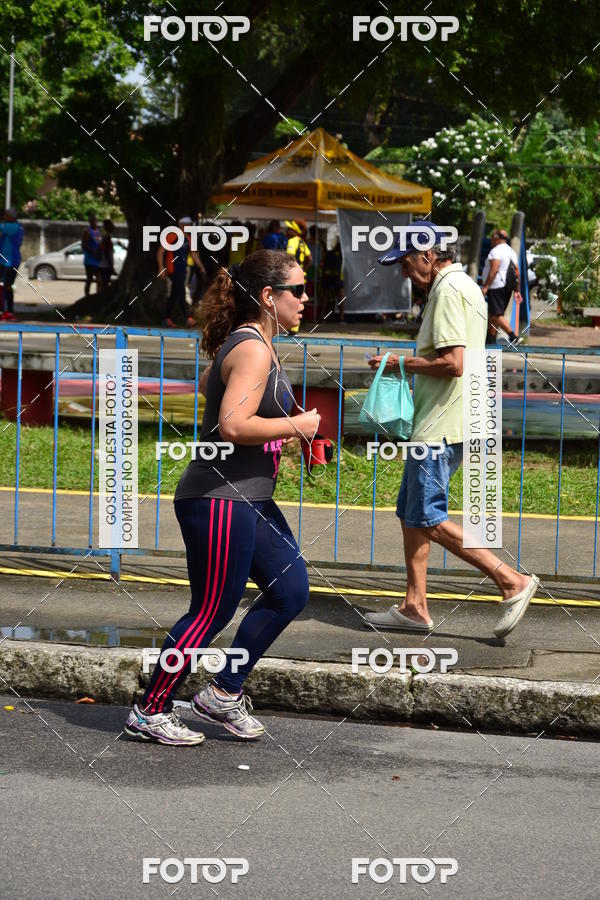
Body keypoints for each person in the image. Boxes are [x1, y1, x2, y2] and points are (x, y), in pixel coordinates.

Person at [124, 249, 320, 745]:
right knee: (212, 609)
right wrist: (297, 425)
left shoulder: (254, 345)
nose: (306, 298)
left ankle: (222, 693)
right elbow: (233, 425)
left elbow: (215, 388)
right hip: (218, 498)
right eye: (297, 290)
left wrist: (286, 437)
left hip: (249, 499)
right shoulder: (253, 348)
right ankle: (151, 709)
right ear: (269, 297)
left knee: (290, 590)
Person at [365, 222, 539, 638]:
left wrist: (398, 363)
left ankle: (511, 580)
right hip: (453, 418)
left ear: (427, 255)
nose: (405, 273)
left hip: (441, 424)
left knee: (425, 516)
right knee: (410, 512)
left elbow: (453, 363)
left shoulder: (446, 291)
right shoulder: (464, 286)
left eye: (406, 262)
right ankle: (414, 605)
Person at [157, 216, 205, 327]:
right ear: (181, 225)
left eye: (189, 225)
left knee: (174, 294)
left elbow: (193, 254)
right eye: (187, 225)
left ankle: (166, 318)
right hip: (173, 269)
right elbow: (160, 251)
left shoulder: (188, 239)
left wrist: (201, 267)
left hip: (183, 270)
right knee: (181, 293)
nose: (188, 227)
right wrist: (161, 267)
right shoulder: (172, 236)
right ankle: (187, 317)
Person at [481, 228, 522, 345]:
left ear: (496, 239)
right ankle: (490, 341)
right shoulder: (511, 252)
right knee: (493, 317)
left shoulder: (496, 251)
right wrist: (517, 290)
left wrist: (485, 286)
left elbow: (494, 269)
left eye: (492, 238)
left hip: (496, 286)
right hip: (507, 287)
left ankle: (514, 337)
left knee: (496, 315)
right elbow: (517, 272)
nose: (491, 241)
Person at [0, 208, 24, 321]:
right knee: (4, 287)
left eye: (5, 215)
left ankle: (8, 311)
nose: (3, 217)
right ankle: (6, 310)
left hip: (10, 262)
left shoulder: (12, 227)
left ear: (11, 217)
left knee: (6, 286)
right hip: (5, 261)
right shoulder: (15, 226)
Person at [82, 212, 101, 297]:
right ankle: (87, 296)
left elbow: (98, 244)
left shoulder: (97, 231)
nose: (96, 222)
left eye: (96, 221)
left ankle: (98, 296)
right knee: (89, 279)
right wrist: (93, 251)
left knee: (99, 280)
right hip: (89, 260)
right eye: (94, 221)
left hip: (97, 259)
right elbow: (83, 245)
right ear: (90, 222)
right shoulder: (87, 231)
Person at [98, 218, 115, 291]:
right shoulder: (106, 237)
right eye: (111, 224)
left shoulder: (106, 236)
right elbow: (105, 251)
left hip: (104, 265)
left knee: (104, 284)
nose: (114, 226)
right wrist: (110, 265)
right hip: (105, 265)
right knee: (104, 284)